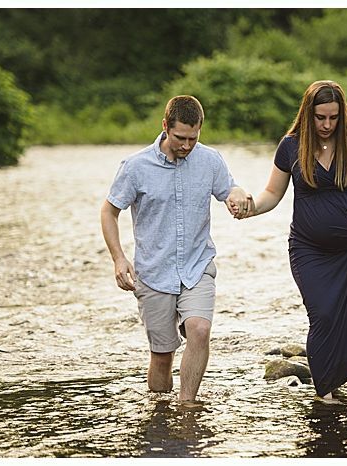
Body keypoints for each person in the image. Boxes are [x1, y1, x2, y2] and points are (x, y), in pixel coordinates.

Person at [232, 80, 347, 400]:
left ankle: (339, 382)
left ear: (342, 115)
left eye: (334, 117)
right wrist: (249, 209)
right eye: (320, 118)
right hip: (308, 249)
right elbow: (272, 193)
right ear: (307, 114)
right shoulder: (291, 146)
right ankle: (324, 393)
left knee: (346, 318)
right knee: (323, 314)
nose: (327, 124)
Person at [101, 95, 249, 402]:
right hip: (154, 273)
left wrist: (238, 196)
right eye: (180, 137)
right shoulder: (135, 167)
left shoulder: (210, 160)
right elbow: (109, 212)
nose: (186, 145)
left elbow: (229, 189)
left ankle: (186, 407)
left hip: (197, 267)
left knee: (199, 330)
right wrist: (118, 258)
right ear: (165, 126)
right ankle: (159, 416)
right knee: (162, 355)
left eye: (193, 138)